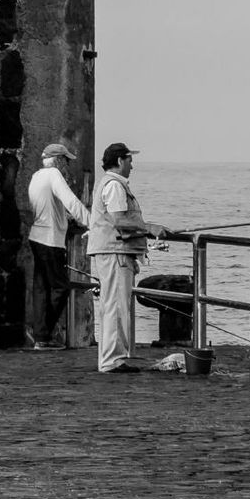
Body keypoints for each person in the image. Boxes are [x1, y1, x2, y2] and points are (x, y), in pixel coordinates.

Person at [88, 142, 171, 374]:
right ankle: (111, 361)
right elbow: (120, 221)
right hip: (115, 252)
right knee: (115, 306)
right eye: (129, 160)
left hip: (112, 251)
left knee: (112, 305)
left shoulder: (106, 183)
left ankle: (113, 358)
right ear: (119, 161)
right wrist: (150, 227)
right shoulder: (114, 186)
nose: (132, 165)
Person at [26, 142, 90, 349]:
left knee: (41, 288)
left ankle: (39, 336)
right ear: (59, 160)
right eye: (67, 161)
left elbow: (49, 206)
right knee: (61, 288)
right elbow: (71, 201)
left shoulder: (37, 177)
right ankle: (43, 334)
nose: (68, 166)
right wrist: (93, 223)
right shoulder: (54, 175)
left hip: (36, 236)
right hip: (51, 240)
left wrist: (66, 217)